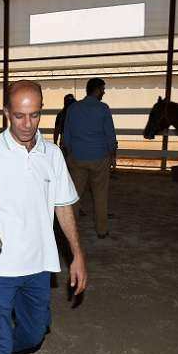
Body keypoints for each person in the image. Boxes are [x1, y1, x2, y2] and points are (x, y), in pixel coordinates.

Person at [0, 80, 87, 354]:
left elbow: (64, 206)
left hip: (39, 264)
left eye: (34, 115)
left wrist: (77, 255)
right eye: (20, 116)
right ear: (8, 112)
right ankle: (0, 351)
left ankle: (7, 346)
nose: (27, 124)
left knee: (35, 334)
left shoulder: (53, 154)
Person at [63, 78, 117, 239]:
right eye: (103, 89)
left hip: (78, 157)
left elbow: (67, 135)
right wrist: (112, 154)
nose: (104, 92)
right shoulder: (103, 109)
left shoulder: (73, 109)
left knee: (74, 196)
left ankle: (70, 230)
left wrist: (71, 153)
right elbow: (110, 135)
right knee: (100, 195)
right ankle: (101, 230)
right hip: (99, 158)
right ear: (97, 90)